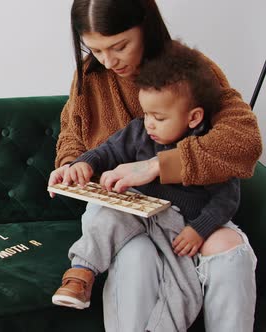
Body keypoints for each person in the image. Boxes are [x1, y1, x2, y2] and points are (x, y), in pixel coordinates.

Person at [48, 0, 261, 331]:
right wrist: (72, 166)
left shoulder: (189, 71)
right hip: (126, 209)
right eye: (95, 49)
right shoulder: (90, 77)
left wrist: (158, 165)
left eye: (119, 46)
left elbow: (242, 141)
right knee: (136, 256)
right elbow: (73, 134)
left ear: (144, 25)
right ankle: (82, 274)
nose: (108, 60)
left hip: (187, 208)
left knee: (231, 252)